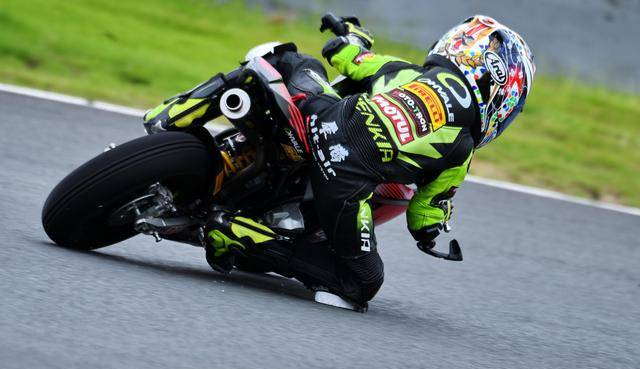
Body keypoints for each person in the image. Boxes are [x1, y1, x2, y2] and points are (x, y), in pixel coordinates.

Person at [148, 14, 536, 311]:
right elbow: (424, 214)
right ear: (504, 101)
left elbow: (345, 56)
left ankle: (174, 115)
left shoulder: (402, 71)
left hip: (320, 119)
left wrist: (351, 35)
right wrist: (431, 235)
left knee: (286, 59)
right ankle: (230, 230)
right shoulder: (461, 148)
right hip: (342, 182)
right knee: (362, 281)